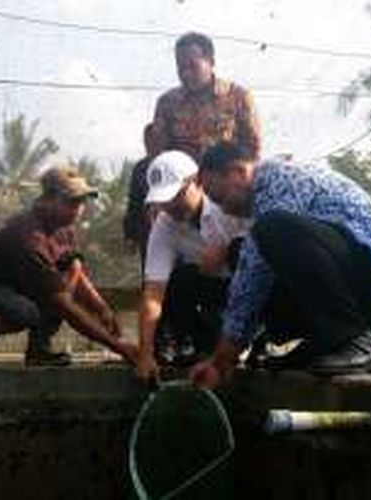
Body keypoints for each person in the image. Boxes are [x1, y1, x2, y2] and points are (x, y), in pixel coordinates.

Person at [189, 142, 371, 389]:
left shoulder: (281, 179)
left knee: (270, 232)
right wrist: (220, 363)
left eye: (220, 197)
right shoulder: (264, 200)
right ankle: (326, 340)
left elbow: (254, 275)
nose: (224, 209)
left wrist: (224, 357)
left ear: (238, 171)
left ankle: (356, 341)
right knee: (250, 253)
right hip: (354, 282)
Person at [0, 165, 138, 369]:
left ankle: (39, 352)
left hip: (14, 285)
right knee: (25, 311)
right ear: (47, 200)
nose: (78, 209)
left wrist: (101, 308)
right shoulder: (29, 238)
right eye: (71, 202)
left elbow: (73, 270)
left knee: (65, 276)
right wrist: (120, 348)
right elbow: (65, 307)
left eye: (81, 202)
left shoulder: (63, 227)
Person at [136, 150, 250, 383]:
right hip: (213, 296)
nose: (170, 206)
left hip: (248, 290)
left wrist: (228, 250)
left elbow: (261, 249)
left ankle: (256, 339)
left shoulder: (227, 202)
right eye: (163, 200)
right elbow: (153, 295)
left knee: (242, 250)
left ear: (197, 182)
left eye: (176, 195)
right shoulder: (164, 225)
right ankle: (195, 345)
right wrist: (145, 353)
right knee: (180, 279)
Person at [150, 32, 261, 163]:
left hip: (225, 177)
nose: (186, 74)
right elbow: (158, 154)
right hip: (182, 178)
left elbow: (253, 150)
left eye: (193, 66)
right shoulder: (167, 103)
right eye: (181, 67)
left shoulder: (238, 97)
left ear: (211, 62)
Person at [123, 123, 157, 266]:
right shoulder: (141, 168)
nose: (150, 144)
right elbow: (134, 202)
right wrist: (130, 235)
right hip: (146, 232)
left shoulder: (173, 164)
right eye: (147, 140)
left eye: (154, 139)